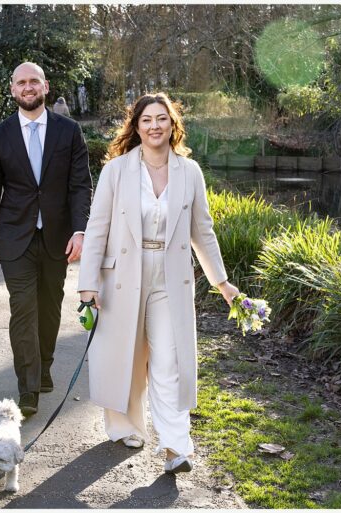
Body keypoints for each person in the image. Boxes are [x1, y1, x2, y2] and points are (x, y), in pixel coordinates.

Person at [77, 93, 239, 474]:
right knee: (127, 359)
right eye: (147, 119)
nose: (154, 126)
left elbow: (204, 231)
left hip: (171, 277)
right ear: (136, 126)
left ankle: (175, 446)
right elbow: (97, 227)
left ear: (173, 125)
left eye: (162, 119)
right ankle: (127, 428)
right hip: (122, 275)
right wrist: (88, 283)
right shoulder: (117, 171)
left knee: (170, 360)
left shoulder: (190, 172)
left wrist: (222, 282)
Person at [0, 62, 92, 417]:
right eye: (21, 82)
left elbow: (81, 185)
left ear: (45, 86)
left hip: (57, 237)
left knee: (50, 305)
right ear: (12, 89)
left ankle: (45, 365)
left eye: (34, 80)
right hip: (15, 238)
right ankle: (28, 387)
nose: (28, 86)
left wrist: (80, 230)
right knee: (23, 308)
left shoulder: (69, 132)